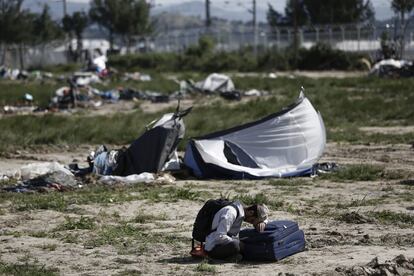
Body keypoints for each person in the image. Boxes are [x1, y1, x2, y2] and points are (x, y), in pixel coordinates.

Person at [204, 201, 269, 260]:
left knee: (246, 241)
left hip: (226, 241)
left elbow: (264, 215)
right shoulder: (230, 213)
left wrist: (263, 222)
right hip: (214, 246)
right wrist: (238, 243)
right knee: (235, 245)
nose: (250, 223)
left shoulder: (241, 211)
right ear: (251, 212)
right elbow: (219, 236)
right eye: (252, 221)